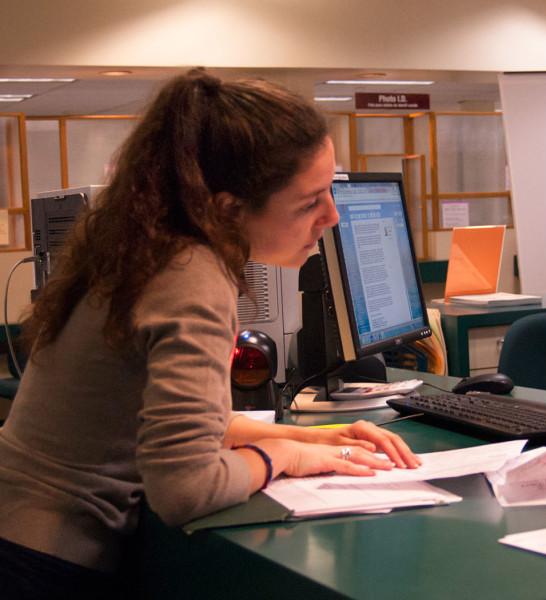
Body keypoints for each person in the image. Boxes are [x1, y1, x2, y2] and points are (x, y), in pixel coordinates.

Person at [0, 69, 420, 598]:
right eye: (310, 201)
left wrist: (314, 439)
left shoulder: (140, 244)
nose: (332, 217)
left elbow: (187, 424)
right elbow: (186, 488)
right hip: (41, 565)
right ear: (227, 209)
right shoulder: (191, 277)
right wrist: (285, 459)